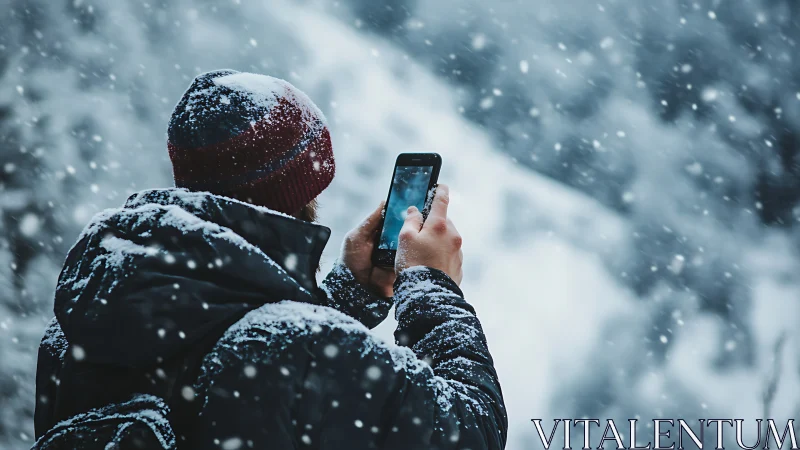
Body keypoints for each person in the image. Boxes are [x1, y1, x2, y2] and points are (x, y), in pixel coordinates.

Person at [32, 70, 507, 450]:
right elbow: (473, 429)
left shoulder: (78, 326)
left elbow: (236, 365)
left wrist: (346, 296)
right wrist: (430, 287)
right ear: (304, 190)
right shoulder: (299, 346)